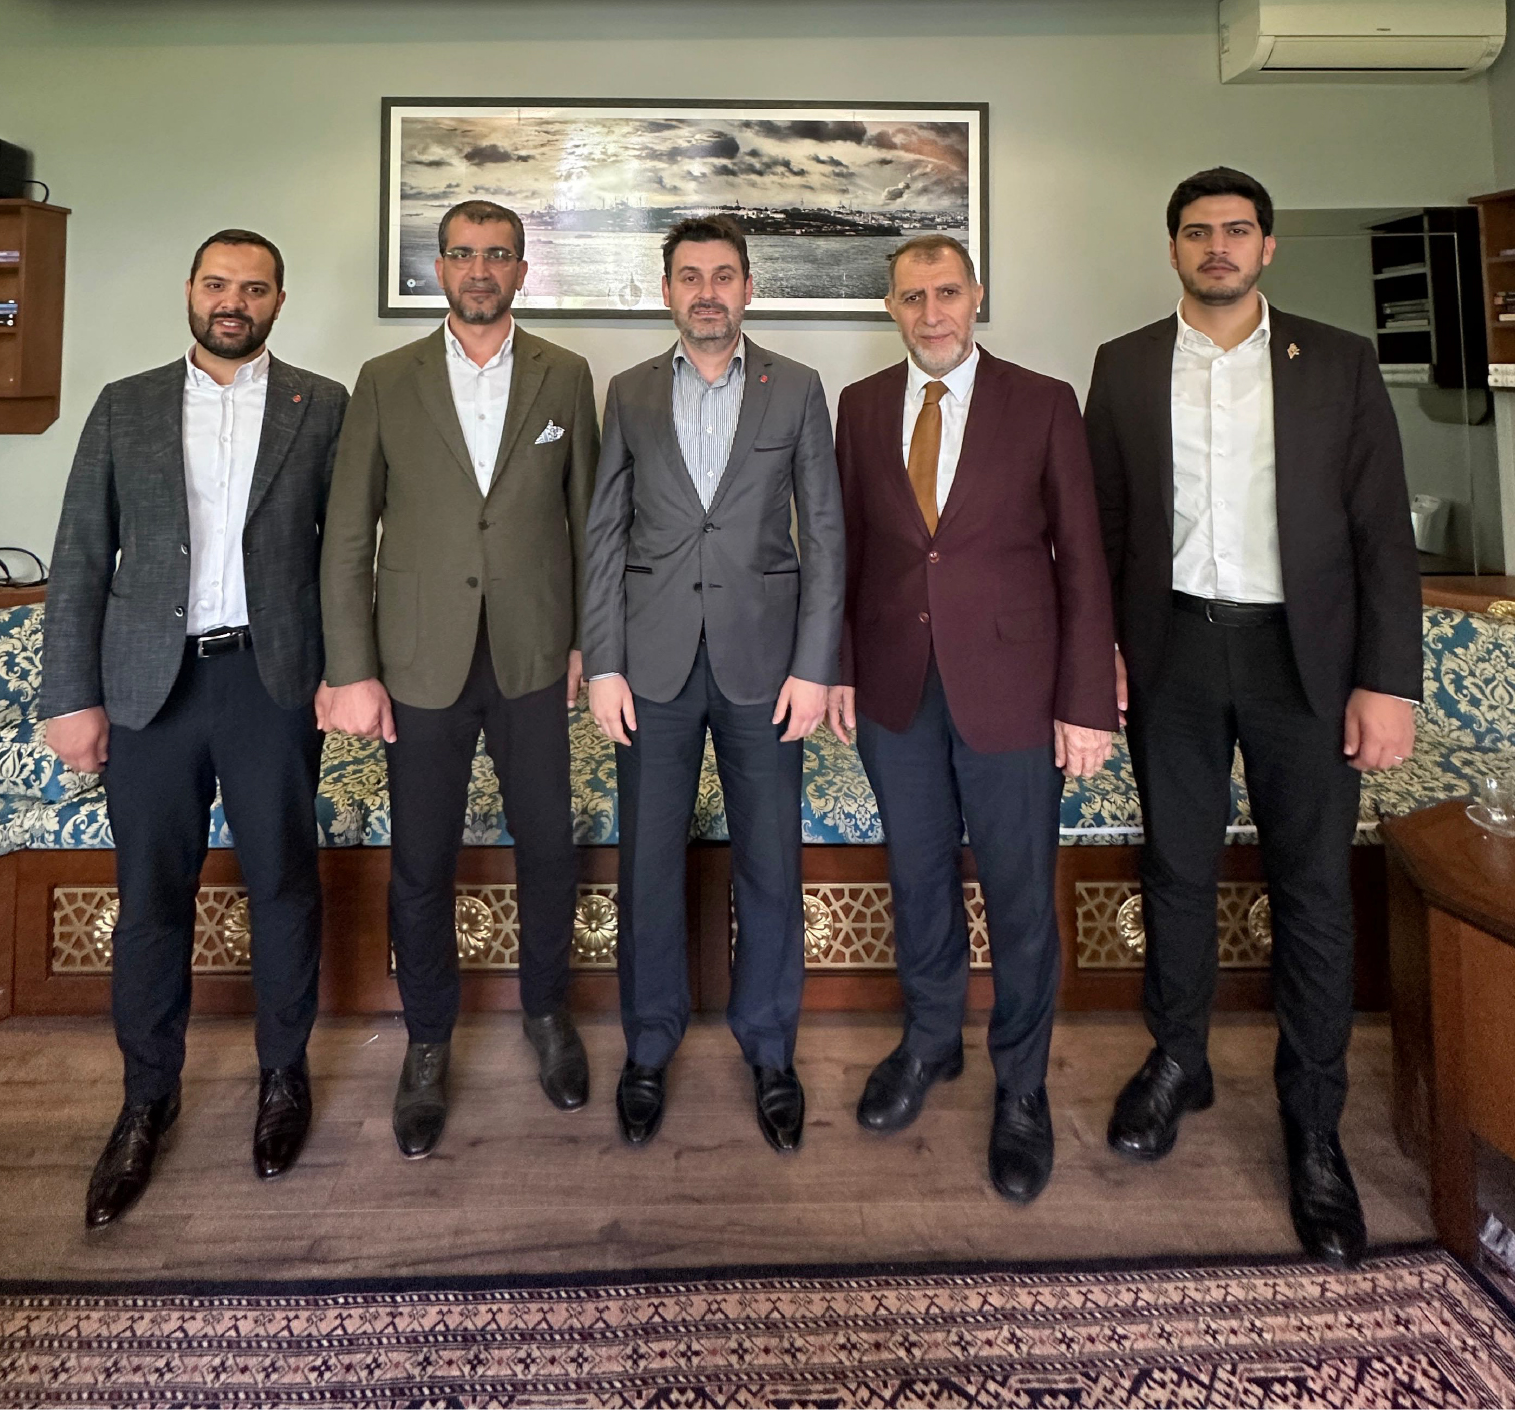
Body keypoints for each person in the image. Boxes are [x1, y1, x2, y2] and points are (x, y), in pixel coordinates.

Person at [1084, 165, 1419, 1268]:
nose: (1216, 246)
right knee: (1174, 870)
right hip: (1172, 650)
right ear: (1172, 248)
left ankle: (1312, 1125)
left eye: (1236, 230)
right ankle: (1176, 1061)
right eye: (1197, 231)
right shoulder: (1124, 364)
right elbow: (1101, 528)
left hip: (1303, 662)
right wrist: (1102, 654)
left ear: (1266, 247)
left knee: (1311, 890)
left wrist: (1387, 681)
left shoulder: (1338, 362)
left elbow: (1379, 533)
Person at [41, 230, 348, 1226]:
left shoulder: (322, 404)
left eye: (253, 288)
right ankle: (146, 1098)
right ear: (190, 290)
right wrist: (69, 696)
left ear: (278, 301)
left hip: (271, 682)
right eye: (218, 283)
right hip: (149, 688)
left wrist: (348, 673)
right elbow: (80, 555)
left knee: (283, 883)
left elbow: (343, 555)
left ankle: (283, 1076)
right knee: (150, 898)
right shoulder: (124, 405)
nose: (233, 301)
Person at [827, 235, 1116, 1204]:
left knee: (1019, 896)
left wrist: (1083, 701)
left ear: (976, 296)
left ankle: (1021, 1085)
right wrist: (839, 671)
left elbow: (1081, 559)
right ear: (890, 307)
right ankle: (928, 1042)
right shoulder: (860, 405)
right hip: (895, 690)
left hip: (1013, 692)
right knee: (917, 882)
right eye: (912, 297)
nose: (931, 313)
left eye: (946, 292)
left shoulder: (1042, 402)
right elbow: (845, 549)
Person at [320, 199, 600, 1158]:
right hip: (417, 657)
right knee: (421, 858)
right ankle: (428, 1039)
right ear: (438, 268)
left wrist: (588, 643)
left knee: (549, 847)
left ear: (522, 270)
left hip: (533, 651)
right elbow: (348, 533)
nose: (480, 269)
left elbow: (590, 524)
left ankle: (547, 1013)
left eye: (499, 255)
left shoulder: (566, 374)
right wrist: (352, 666)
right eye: (463, 254)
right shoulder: (384, 379)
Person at [584, 214, 844, 1153]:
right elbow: (604, 534)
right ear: (666, 291)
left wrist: (814, 666)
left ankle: (771, 1050)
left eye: (722, 274)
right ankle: (647, 1047)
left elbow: (824, 534)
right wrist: (602, 662)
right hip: (649, 665)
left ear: (747, 288)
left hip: (765, 666)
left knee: (770, 864)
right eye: (689, 276)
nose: (706, 291)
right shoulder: (629, 392)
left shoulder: (797, 388)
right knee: (647, 866)